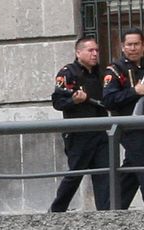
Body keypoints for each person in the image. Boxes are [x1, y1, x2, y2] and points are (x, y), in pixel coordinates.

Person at [102, 27, 144, 209]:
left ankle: (112, 209)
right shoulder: (115, 70)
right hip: (128, 127)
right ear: (122, 47)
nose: (133, 48)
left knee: (132, 170)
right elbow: (108, 100)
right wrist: (134, 91)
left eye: (137, 44)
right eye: (129, 44)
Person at [49, 37, 110, 212]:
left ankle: (107, 214)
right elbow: (57, 102)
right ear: (78, 53)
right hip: (79, 134)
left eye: (96, 50)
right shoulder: (68, 73)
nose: (95, 54)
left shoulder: (101, 73)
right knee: (74, 175)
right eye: (90, 50)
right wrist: (74, 101)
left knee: (105, 175)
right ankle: (56, 212)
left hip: (100, 132)